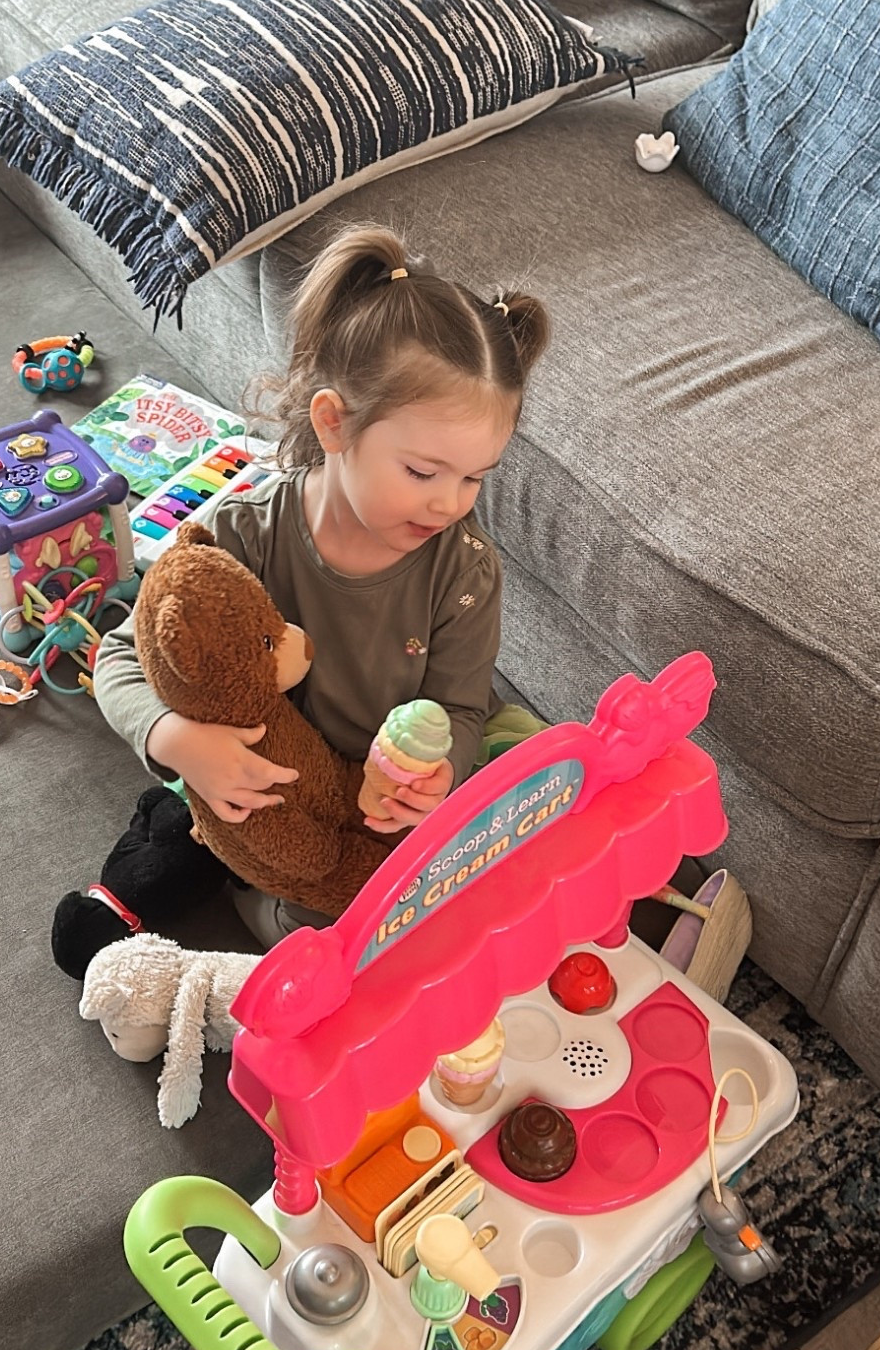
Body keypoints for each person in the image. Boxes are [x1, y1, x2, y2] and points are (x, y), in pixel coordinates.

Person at [94, 223, 549, 946]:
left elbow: (462, 709)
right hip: (289, 784)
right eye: (424, 473)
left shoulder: (464, 568)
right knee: (312, 895)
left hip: (385, 790)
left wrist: (434, 776)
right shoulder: (246, 531)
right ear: (335, 424)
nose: (450, 503)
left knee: (535, 776)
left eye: (474, 478)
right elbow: (120, 655)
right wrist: (174, 739)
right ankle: (270, 908)